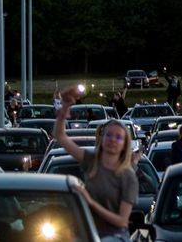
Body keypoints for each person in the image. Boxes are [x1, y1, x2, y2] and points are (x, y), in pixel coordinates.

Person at [55, 86, 137, 242]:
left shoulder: (128, 176)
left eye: (118, 137)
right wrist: (65, 107)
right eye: (109, 135)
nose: (113, 139)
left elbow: (122, 221)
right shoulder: (91, 160)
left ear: (125, 145)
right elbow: (60, 137)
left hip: (114, 235)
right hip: (87, 231)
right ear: (102, 138)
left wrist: (90, 202)